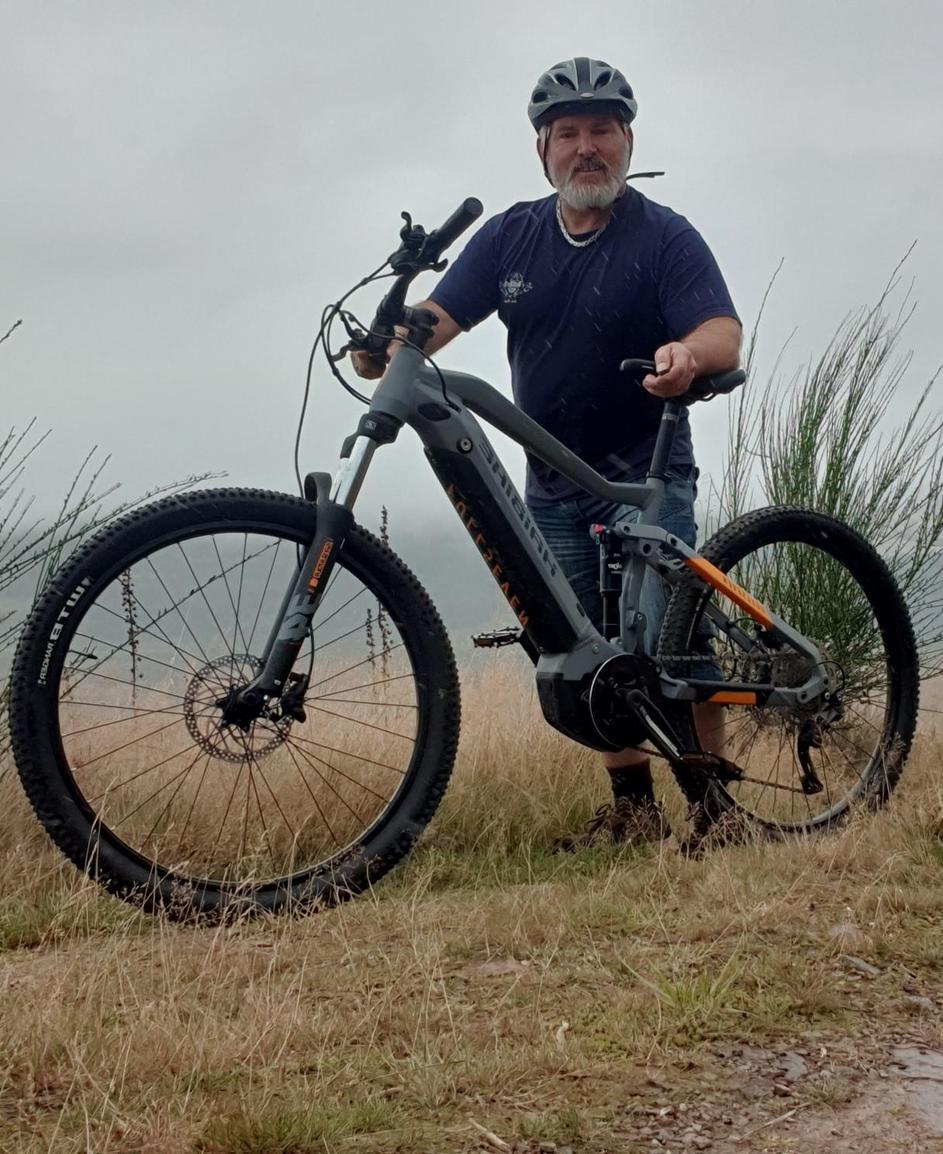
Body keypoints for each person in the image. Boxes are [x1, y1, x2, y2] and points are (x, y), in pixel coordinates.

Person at [351, 56, 743, 846]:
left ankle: (716, 812)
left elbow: (722, 333)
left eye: (601, 130)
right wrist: (382, 346)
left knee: (672, 644)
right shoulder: (511, 237)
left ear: (628, 142)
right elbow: (434, 321)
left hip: (645, 471)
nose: (585, 147)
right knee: (583, 648)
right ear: (543, 150)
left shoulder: (664, 236)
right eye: (568, 133)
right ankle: (634, 812)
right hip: (553, 485)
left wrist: (687, 355)